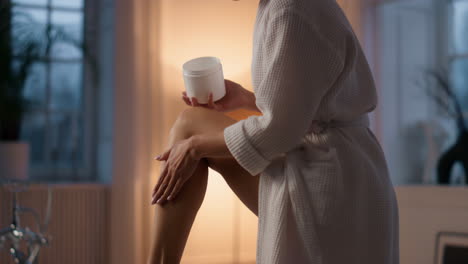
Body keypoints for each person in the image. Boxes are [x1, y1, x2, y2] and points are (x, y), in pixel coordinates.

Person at [147, 0, 400, 263]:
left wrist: (195, 147)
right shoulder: (286, 6)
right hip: (349, 173)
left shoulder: (290, 9)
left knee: (191, 127)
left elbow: (280, 130)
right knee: (191, 124)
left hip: (328, 181)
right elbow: (309, 108)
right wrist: (246, 99)